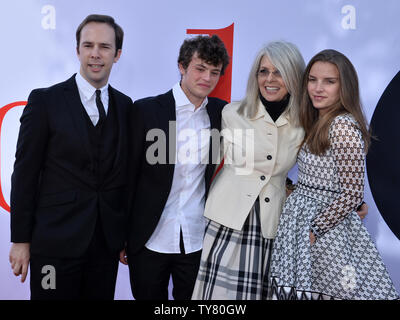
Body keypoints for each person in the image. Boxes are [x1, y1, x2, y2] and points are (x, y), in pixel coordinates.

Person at [191, 42, 369, 300]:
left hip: (274, 223)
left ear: (294, 77)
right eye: (263, 71)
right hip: (227, 218)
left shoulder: (305, 122)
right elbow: (203, 165)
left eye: (279, 72)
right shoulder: (232, 113)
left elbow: (314, 171)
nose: (270, 79)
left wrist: (352, 201)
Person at [9, 14, 132, 300]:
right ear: (77, 50)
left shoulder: (125, 107)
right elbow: (25, 173)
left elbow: (125, 177)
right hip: (53, 246)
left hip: (104, 246)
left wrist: (125, 235)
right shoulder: (45, 101)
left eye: (104, 46)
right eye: (88, 45)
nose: (95, 54)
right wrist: (20, 240)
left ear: (117, 54)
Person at [269, 49, 399, 300]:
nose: (318, 88)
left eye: (329, 81)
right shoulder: (319, 120)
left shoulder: (342, 126)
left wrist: (313, 230)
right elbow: (318, 182)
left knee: (336, 292)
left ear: (345, 87)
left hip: (327, 233)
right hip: (306, 224)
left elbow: (351, 194)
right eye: (313, 80)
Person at [125, 35, 230, 300]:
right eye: (200, 68)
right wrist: (122, 236)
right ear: (182, 67)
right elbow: (127, 176)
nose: (207, 78)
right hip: (149, 238)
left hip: (196, 239)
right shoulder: (147, 110)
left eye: (214, 72)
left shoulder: (222, 113)